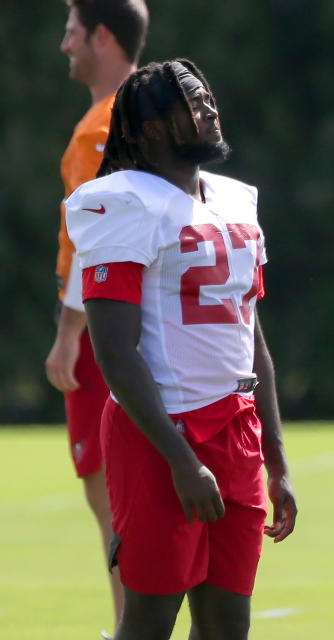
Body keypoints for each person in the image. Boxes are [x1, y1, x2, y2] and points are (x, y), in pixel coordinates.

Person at [64, 58, 298, 640]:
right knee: (149, 620)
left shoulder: (235, 201)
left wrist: (277, 457)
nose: (209, 108)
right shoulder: (121, 202)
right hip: (160, 434)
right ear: (149, 130)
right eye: (191, 103)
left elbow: (252, 337)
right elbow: (115, 354)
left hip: (235, 428)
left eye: (208, 97)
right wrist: (181, 459)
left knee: (227, 627)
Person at [45, 1, 149, 633]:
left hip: (105, 326)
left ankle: (130, 626)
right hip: (161, 322)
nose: (64, 45)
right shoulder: (160, 112)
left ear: (102, 35)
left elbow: (93, 241)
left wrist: (65, 338)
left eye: (72, 31)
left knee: (110, 494)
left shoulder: (96, 131)